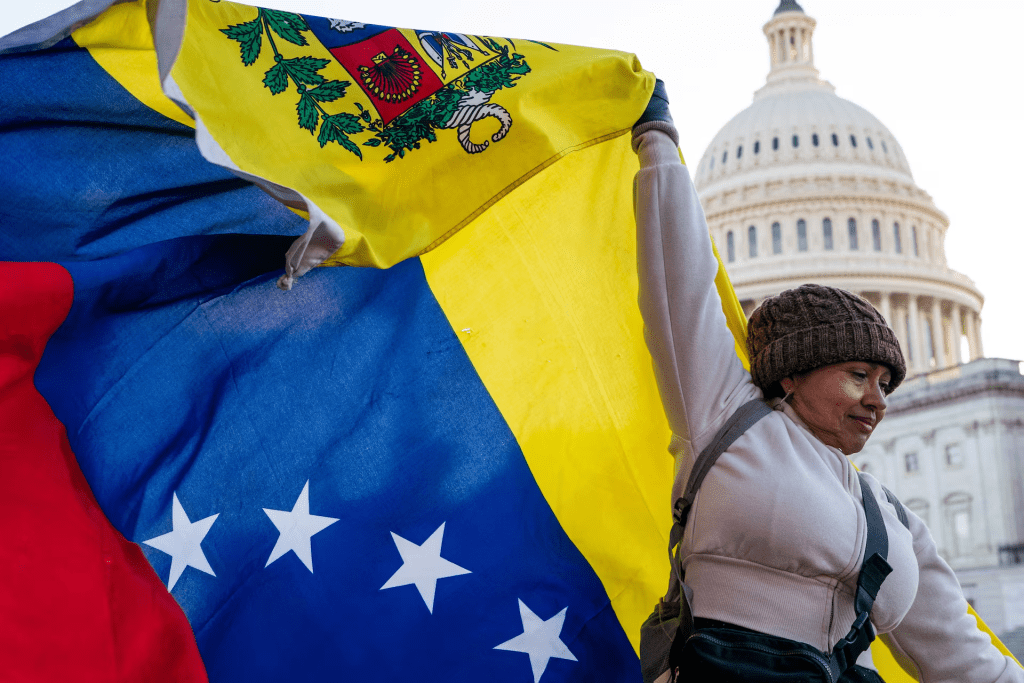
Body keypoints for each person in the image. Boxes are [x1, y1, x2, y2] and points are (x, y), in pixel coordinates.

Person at [631, 86, 1024, 682]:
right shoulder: (726, 422)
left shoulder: (891, 520)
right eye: (858, 375)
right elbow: (677, 285)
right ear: (791, 373)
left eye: (886, 382)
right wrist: (658, 143)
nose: (878, 400)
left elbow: (963, 658)